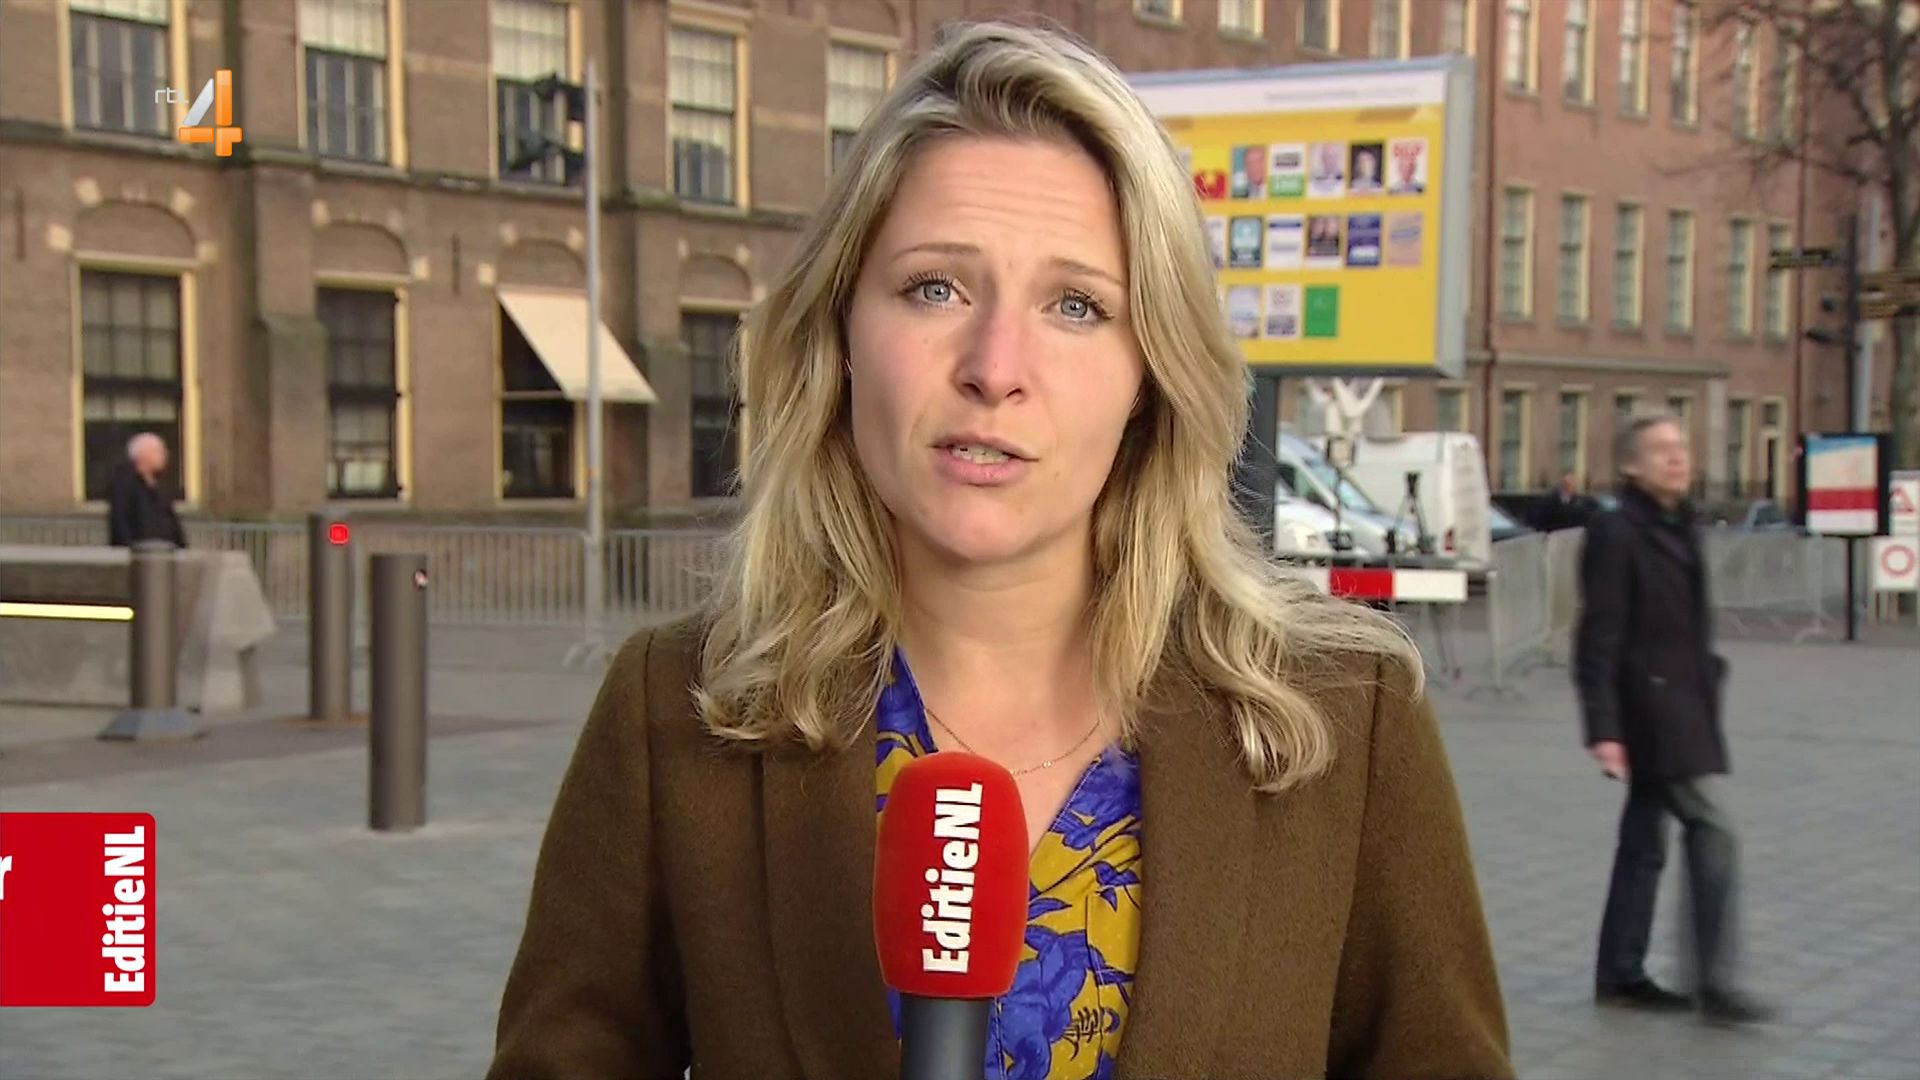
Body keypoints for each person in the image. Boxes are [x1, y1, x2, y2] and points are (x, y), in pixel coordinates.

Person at [488, 23, 1510, 1080]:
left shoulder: (1343, 718)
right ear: (842, 336)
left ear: (1151, 374)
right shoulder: (678, 712)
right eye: (935, 287)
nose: (995, 366)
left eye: (1076, 305)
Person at [1575, 416, 1774, 1025]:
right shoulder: (1617, 532)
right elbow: (1598, 634)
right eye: (1661, 450)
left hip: (1686, 704)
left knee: (1645, 842)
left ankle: (1621, 973)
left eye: (1681, 447)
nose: (1677, 458)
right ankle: (1713, 983)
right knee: (1714, 830)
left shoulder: (1681, 524)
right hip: (1651, 711)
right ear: (1631, 466)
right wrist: (1604, 727)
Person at [107, 432, 186, 548]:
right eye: (157, 451)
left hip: (165, 551)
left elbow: (172, 524)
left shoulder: (159, 487)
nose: (164, 455)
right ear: (142, 455)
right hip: (139, 552)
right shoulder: (124, 483)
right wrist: (128, 548)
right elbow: (120, 522)